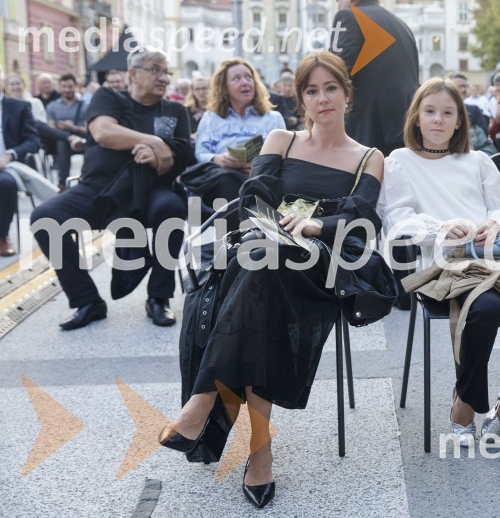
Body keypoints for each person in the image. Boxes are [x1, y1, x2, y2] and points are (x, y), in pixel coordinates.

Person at [159, 51, 385, 509]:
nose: (323, 99)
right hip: (265, 249)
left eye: (331, 88)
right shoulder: (280, 138)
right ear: (300, 98)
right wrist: (278, 229)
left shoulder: (369, 157)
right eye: (312, 90)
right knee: (263, 271)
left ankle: (203, 400)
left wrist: (314, 228)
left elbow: (360, 221)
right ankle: (258, 452)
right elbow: (253, 197)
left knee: (261, 269)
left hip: (322, 263)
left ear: (347, 93)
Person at [379, 78, 500, 446]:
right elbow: (397, 221)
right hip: (446, 265)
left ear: (460, 121)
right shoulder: (398, 161)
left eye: (448, 113)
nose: (438, 120)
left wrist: (495, 225)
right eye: (429, 112)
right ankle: (466, 401)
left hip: (497, 257)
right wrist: (444, 227)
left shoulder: (478, 160)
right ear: (416, 118)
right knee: (487, 309)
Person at [31, 46, 195, 330]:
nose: (163, 78)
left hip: (152, 188)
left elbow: (182, 155)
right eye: (155, 69)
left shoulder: (174, 110)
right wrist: (155, 143)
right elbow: (104, 133)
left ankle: (159, 297)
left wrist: (158, 157)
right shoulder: (108, 97)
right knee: (44, 218)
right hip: (97, 188)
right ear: (133, 74)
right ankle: (87, 301)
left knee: (172, 208)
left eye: (166, 71)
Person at [183, 58, 285, 230]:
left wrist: (257, 166)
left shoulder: (273, 118)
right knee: (227, 179)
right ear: (224, 87)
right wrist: (218, 158)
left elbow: (284, 156)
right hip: (221, 177)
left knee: (241, 184)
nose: (245, 82)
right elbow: (201, 152)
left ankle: (237, 239)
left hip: (259, 178)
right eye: (236, 79)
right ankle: (242, 236)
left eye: (248, 77)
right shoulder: (211, 117)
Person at [330, 0, 419, 155]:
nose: (337, 4)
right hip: (407, 123)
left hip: (369, 125)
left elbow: (335, 69)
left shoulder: (347, 16)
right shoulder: (401, 24)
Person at [0, 65, 42, 256]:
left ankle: (2, 236)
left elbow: (33, 142)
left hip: (8, 164)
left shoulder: (19, 107)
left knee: (5, 184)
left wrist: (9, 155)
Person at [46, 73, 88, 189]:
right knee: (62, 143)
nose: (67, 90)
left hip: (82, 140)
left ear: (75, 86)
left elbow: (89, 129)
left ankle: (86, 180)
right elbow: (50, 128)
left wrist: (73, 128)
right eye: (64, 86)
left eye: (70, 86)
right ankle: (63, 184)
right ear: (59, 87)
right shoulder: (52, 106)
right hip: (61, 142)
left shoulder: (85, 105)